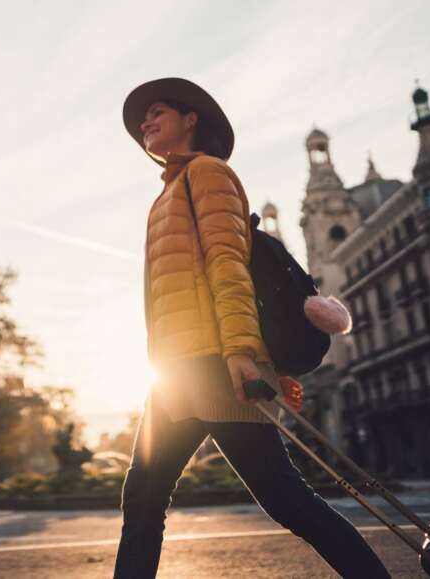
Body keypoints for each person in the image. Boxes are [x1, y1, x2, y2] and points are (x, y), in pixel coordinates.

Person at [112, 78, 390, 578]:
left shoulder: (208, 174)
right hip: (175, 373)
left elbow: (227, 264)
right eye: (141, 121)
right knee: (143, 497)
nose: (145, 124)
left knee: (286, 501)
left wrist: (242, 353)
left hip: (214, 364)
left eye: (155, 113)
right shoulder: (170, 192)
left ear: (190, 117)